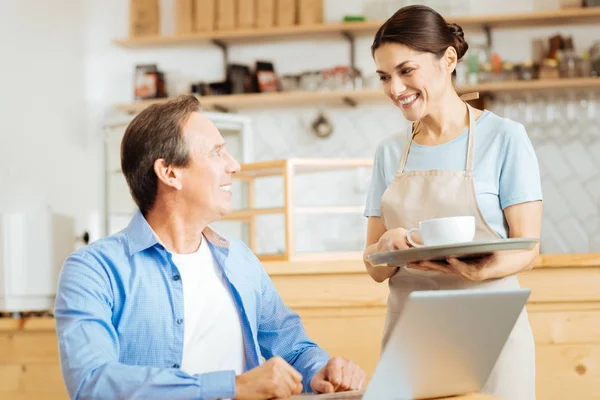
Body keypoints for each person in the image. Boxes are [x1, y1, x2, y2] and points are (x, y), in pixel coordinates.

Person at [55, 95, 366, 400]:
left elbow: (293, 347)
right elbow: (91, 382)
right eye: (217, 152)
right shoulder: (94, 269)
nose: (234, 165)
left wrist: (322, 370)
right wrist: (232, 387)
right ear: (170, 173)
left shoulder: (239, 258)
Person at [362, 5, 542, 400]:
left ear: (448, 59)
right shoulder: (390, 152)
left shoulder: (505, 138)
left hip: (490, 332)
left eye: (406, 71)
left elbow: (529, 247)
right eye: (384, 77)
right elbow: (373, 266)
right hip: (411, 338)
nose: (395, 89)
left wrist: (480, 271)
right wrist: (385, 248)